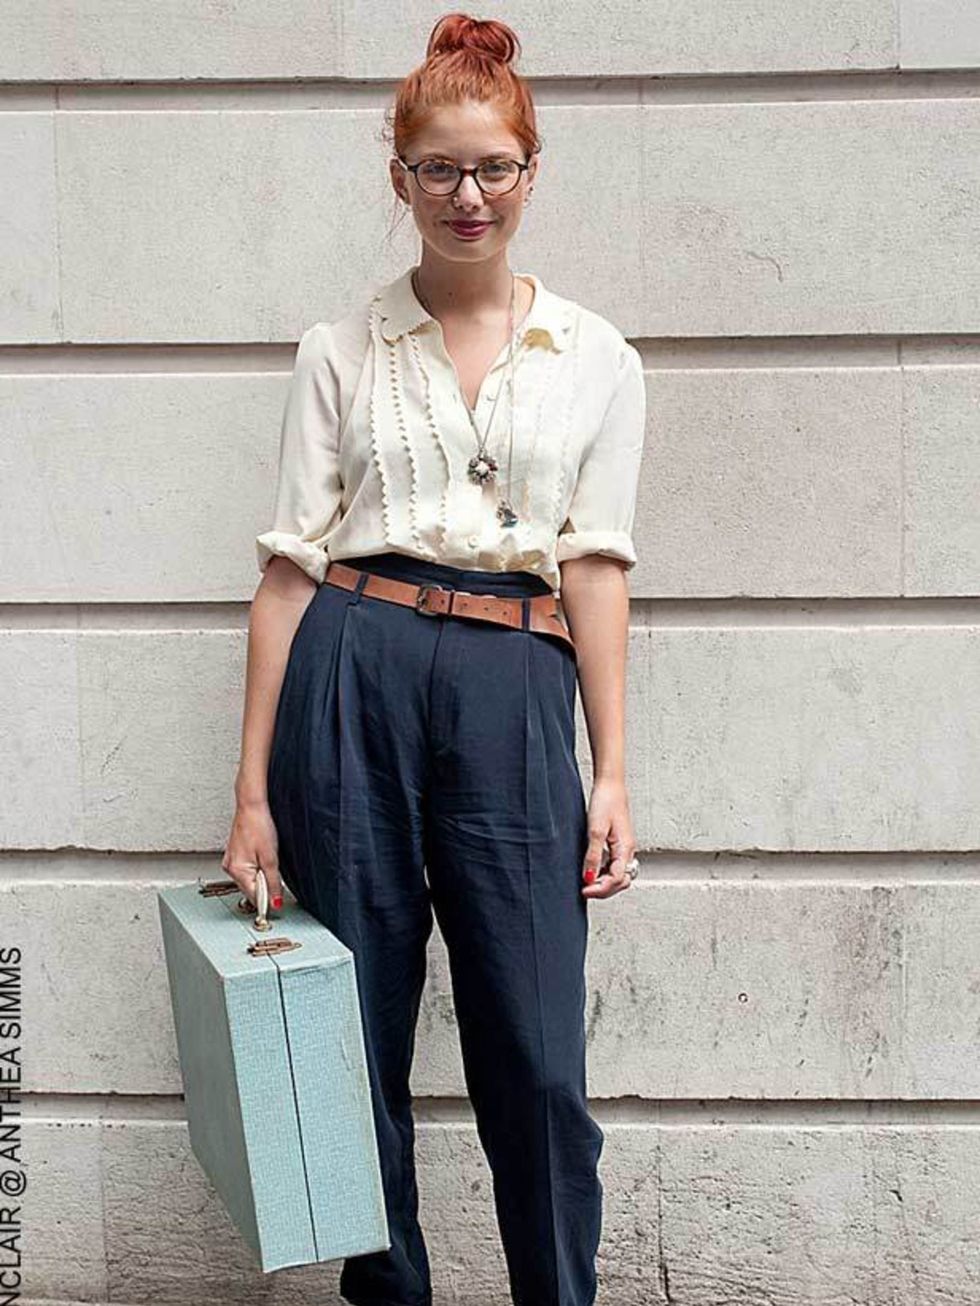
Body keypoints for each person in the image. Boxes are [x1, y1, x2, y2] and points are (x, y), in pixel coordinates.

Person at [222, 12, 644, 1305]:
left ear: (532, 170)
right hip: (354, 667)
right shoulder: (338, 353)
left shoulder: (598, 360)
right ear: (398, 178)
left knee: (538, 1051)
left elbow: (598, 568)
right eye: (440, 169)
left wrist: (613, 768)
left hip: (521, 683)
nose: (469, 195)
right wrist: (249, 793)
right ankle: (387, 1291)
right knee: (351, 1036)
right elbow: (288, 570)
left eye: (494, 168)